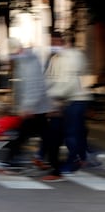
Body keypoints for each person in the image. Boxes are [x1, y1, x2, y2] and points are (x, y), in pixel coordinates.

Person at [42, 33, 93, 180]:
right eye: (51, 42)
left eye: (56, 42)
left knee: (71, 132)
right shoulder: (55, 58)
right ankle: (80, 157)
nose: (53, 45)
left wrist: (55, 98)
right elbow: (49, 78)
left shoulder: (72, 57)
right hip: (64, 100)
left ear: (63, 42)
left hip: (77, 98)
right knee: (71, 131)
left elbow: (69, 81)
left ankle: (73, 161)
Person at [4, 38, 52, 167]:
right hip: (34, 107)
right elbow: (21, 86)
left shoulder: (30, 62)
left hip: (35, 107)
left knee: (24, 134)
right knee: (43, 134)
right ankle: (49, 160)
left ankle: (12, 159)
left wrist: (27, 107)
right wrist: (18, 105)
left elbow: (33, 86)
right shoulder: (23, 61)